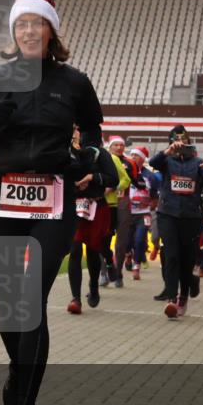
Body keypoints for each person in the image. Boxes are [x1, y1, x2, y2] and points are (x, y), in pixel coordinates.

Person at [0, 0, 103, 405]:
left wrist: (87, 162)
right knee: (10, 306)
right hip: (3, 196)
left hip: (54, 199)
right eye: (22, 25)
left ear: (51, 32)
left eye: (39, 24)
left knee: (32, 299)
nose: (30, 31)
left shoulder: (75, 83)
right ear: (13, 33)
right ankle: (19, 373)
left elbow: (96, 136)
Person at [149, 125, 203, 319]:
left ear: (189, 142)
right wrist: (166, 152)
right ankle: (171, 298)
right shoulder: (166, 161)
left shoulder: (198, 163)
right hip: (167, 214)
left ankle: (184, 295)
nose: (180, 144)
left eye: (184, 140)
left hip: (191, 217)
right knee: (171, 256)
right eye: (176, 141)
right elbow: (153, 162)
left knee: (187, 260)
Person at [67, 128, 119, 314]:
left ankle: (94, 287)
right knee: (74, 250)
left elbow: (114, 179)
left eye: (78, 130)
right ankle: (75, 298)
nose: (75, 133)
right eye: (73, 130)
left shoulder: (100, 153)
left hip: (96, 206)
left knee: (93, 251)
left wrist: (92, 177)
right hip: (73, 207)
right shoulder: (66, 151)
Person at [102, 136, 134, 287]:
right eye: (116, 145)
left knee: (121, 242)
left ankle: (119, 272)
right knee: (103, 238)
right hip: (108, 203)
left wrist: (116, 187)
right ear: (110, 147)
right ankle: (103, 273)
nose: (120, 147)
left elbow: (130, 179)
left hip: (123, 203)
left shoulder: (130, 162)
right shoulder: (104, 158)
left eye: (122, 145)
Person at [127, 146, 159, 281]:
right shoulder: (125, 171)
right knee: (127, 241)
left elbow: (155, 196)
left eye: (136, 155)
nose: (133, 157)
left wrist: (149, 207)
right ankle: (128, 254)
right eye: (132, 154)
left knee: (140, 240)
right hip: (127, 213)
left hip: (143, 214)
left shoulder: (150, 176)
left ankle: (137, 265)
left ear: (143, 158)